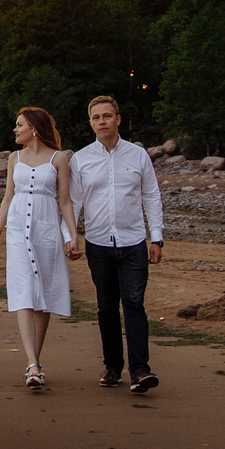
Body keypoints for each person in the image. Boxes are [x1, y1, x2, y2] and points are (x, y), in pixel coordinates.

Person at [70, 95, 165, 393]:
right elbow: (72, 202)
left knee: (134, 304)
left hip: (133, 242)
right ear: (90, 123)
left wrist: (157, 237)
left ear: (118, 119)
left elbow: (151, 196)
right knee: (106, 306)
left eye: (107, 116)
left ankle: (140, 370)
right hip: (97, 243)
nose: (102, 122)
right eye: (96, 118)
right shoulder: (81, 159)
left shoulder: (138, 156)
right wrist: (70, 237)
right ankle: (112, 367)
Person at [0, 106, 78, 390]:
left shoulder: (59, 158)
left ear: (34, 129)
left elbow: (65, 201)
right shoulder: (14, 158)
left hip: (47, 230)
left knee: (44, 295)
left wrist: (73, 236)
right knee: (24, 291)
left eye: (19, 125)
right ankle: (32, 364)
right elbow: (7, 197)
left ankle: (34, 362)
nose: (15, 130)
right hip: (17, 231)